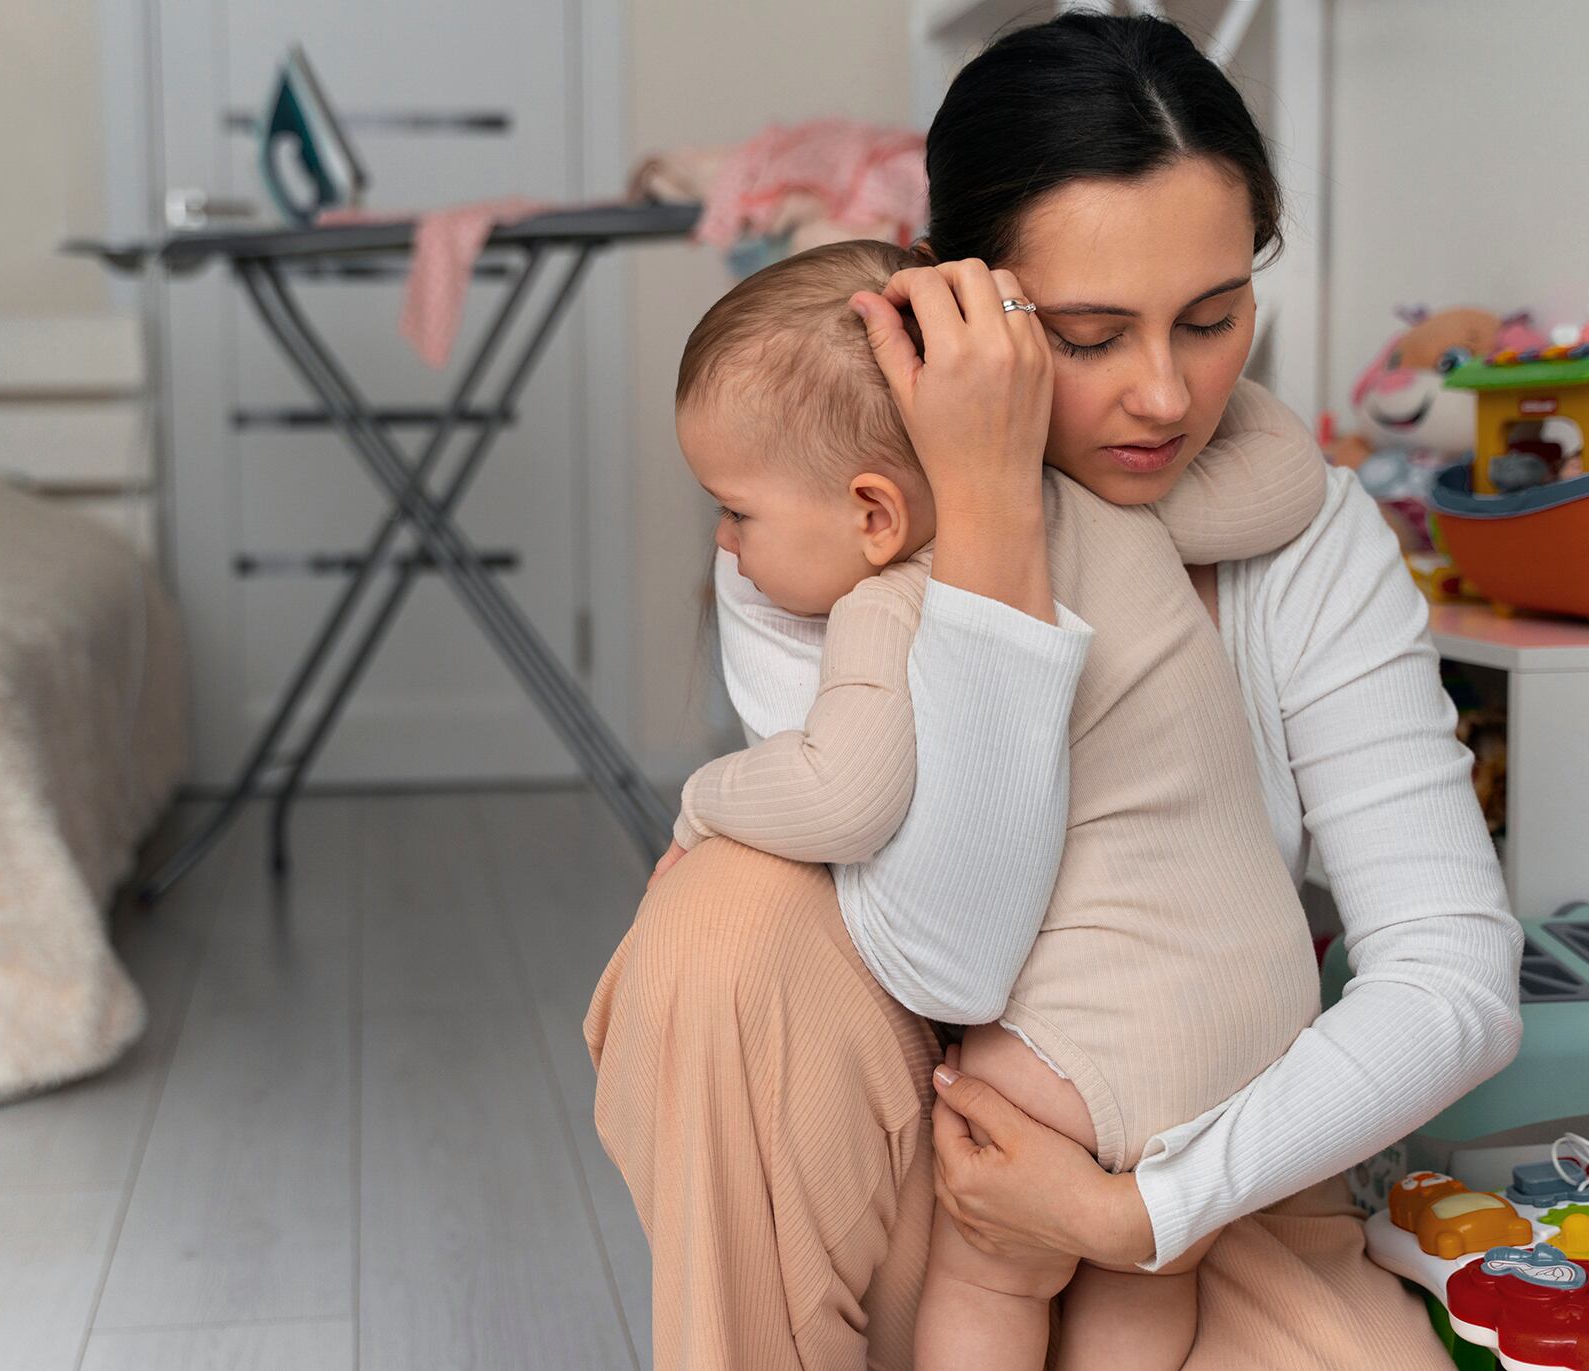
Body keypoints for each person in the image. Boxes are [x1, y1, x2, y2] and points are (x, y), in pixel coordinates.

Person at [588, 14, 1522, 1370]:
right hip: (927, 1142)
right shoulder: (830, 529)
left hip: (1201, 1156)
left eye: (1213, 318)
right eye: (1090, 334)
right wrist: (986, 532)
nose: (1164, 392)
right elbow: (948, 955)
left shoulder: (1296, 531)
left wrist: (1143, 1205)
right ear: (954, 303)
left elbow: (1454, 974)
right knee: (722, 918)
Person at [663, 236, 1328, 1369]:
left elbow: (844, 794)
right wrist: (1053, 394)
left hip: (1088, 1042)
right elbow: (1289, 476)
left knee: (991, 1271)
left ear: (875, 515)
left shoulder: (891, 604)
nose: (725, 544)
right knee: (1138, 1271)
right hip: (1268, 1003)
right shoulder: (1111, 502)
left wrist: (701, 802)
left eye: (736, 513)